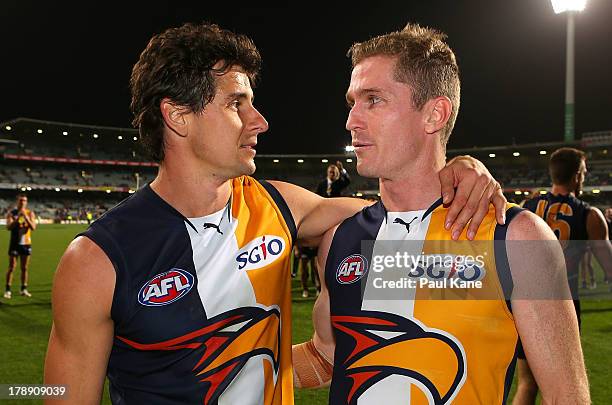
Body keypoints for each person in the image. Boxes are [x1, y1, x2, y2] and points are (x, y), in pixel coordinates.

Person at [44, 22, 507, 404]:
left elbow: (401, 209)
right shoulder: (97, 259)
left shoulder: (279, 206)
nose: (259, 121)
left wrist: (460, 170)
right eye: (235, 103)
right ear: (178, 116)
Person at [294, 23, 591, 404]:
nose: (352, 120)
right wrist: (230, 365)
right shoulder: (340, 239)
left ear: (434, 115)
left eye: (374, 100)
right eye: (353, 102)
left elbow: (567, 398)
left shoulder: (516, 238)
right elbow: (329, 357)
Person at [515, 147, 612, 405]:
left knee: (526, 384)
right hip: (562, 303)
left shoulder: (527, 207)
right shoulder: (589, 214)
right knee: (560, 389)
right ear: (577, 176)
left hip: (522, 302)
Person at [4, 194, 36, 299]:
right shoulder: (11, 213)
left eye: (25, 201)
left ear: (26, 202)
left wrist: (25, 217)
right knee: (12, 267)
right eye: (21, 200)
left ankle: (23, 289)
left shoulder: (30, 213)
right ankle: (8, 290)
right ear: (17, 202)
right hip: (14, 244)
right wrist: (18, 219)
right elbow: (8, 227)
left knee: (24, 268)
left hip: (26, 244)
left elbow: (33, 227)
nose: (23, 202)